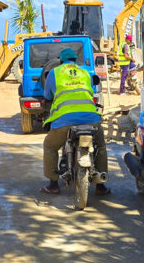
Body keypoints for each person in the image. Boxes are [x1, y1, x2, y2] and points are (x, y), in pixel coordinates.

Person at [41, 47, 110, 196]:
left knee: (50, 146)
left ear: (61, 61)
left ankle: (53, 184)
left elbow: (47, 96)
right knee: (100, 147)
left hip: (65, 121)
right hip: (91, 118)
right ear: (75, 60)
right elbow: (90, 91)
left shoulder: (54, 72)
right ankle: (101, 186)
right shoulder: (85, 73)